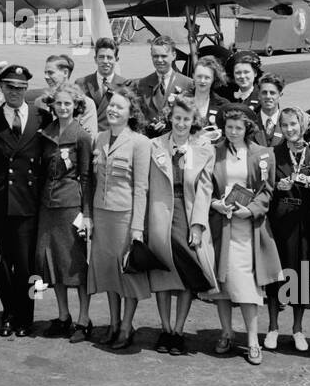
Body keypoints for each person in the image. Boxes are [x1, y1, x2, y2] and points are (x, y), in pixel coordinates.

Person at [0, 64, 48, 337]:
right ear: (1, 88)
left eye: (20, 88)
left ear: (27, 89)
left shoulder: (41, 117)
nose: (15, 92)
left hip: (29, 203)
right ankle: (8, 313)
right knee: (3, 264)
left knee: (30, 265)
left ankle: (29, 315)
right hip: (0, 201)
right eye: (10, 87)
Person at [146, 96, 219, 356]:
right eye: (177, 118)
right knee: (163, 274)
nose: (180, 123)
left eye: (186, 120)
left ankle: (178, 331)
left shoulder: (204, 148)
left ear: (193, 121)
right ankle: (165, 329)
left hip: (188, 216)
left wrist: (198, 225)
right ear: (170, 117)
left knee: (187, 274)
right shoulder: (154, 145)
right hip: (159, 215)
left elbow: (205, 189)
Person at [207, 104, 280, 364]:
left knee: (247, 285)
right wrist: (214, 203)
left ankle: (252, 339)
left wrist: (250, 211)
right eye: (229, 127)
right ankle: (226, 332)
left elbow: (267, 191)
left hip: (247, 228)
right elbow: (204, 184)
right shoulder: (213, 152)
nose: (233, 132)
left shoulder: (262, 154)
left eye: (238, 128)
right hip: (220, 225)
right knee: (222, 285)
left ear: (247, 128)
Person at [87, 88, 152, 348]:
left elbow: (141, 187)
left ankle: (126, 326)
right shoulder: (100, 138)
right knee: (108, 272)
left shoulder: (140, 142)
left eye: (119, 107)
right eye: (111, 105)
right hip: (102, 215)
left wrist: (137, 227)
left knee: (127, 273)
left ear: (130, 114)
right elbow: (93, 181)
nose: (113, 110)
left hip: (125, 217)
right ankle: (113, 323)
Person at [35, 84, 94, 338]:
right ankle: (63, 316)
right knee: (53, 263)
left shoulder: (81, 135)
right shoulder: (45, 133)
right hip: (47, 207)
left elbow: (86, 177)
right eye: (58, 103)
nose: (63, 108)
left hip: (71, 206)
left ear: (76, 106)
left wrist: (87, 214)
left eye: (68, 104)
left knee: (75, 265)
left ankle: (84, 320)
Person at [268, 106, 310, 353]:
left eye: (294, 124)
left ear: (303, 125)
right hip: (280, 220)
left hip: (304, 221)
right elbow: (264, 188)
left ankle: (298, 329)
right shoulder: (273, 154)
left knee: (301, 273)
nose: (290, 129)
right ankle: (272, 327)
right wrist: (276, 186)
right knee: (276, 273)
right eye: (285, 125)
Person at [134, 35, 194, 136]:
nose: (159, 60)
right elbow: (139, 118)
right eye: (155, 56)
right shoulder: (142, 84)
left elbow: (192, 117)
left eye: (164, 56)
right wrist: (150, 126)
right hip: (151, 141)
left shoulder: (188, 84)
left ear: (174, 55)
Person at [78, 37, 132, 131]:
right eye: (101, 57)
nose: (105, 61)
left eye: (110, 57)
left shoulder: (125, 85)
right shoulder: (81, 83)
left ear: (116, 59)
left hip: (111, 139)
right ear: (95, 59)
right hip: (86, 138)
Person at [189, 55, 231, 144]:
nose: (202, 81)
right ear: (193, 76)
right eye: (199, 76)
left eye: (207, 77)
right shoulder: (182, 100)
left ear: (213, 79)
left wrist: (215, 137)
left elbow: (228, 135)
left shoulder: (223, 105)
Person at [251, 73, 285, 148]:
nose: (268, 96)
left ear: (280, 95)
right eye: (264, 92)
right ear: (259, 95)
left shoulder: (288, 122)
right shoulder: (250, 122)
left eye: (272, 93)